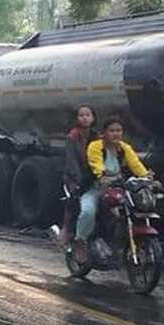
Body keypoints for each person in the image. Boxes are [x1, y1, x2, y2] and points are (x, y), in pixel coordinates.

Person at [72, 116, 151, 264]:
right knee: (88, 211)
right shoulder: (96, 146)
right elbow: (96, 164)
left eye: (119, 131)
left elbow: (136, 164)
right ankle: (80, 241)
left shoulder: (124, 148)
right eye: (112, 130)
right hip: (94, 189)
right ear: (104, 133)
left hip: (118, 189)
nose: (116, 134)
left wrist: (147, 178)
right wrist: (101, 176)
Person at [59, 105, 97, 245]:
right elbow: (71, 161)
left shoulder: (96, 136)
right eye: (81, 115)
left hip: (92, 175)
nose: (85, 118)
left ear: (93, 118)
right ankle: (65, 228)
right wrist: (79, 180)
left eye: (88, 115)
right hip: (74, 176)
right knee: (74, 197)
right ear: (77, 118)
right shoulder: (73, 136)